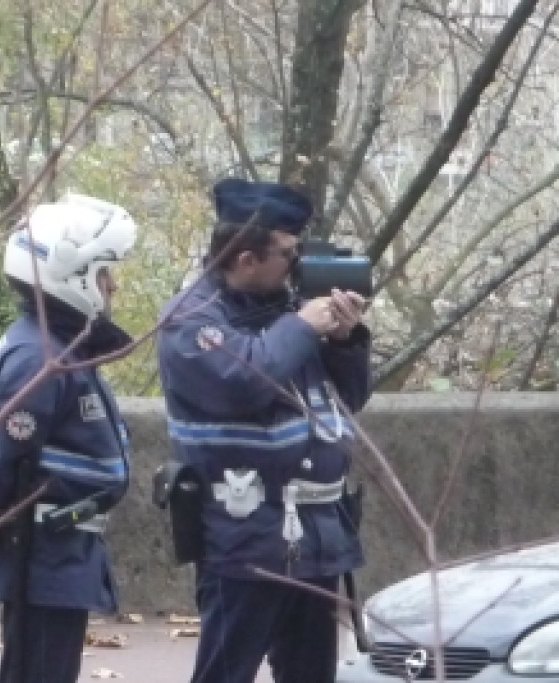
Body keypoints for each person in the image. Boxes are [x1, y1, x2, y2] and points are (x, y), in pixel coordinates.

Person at [155, 178, 372, 683]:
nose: (297, 268)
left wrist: (344, 341)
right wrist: (302, 326)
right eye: (288, 254)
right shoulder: (191, 320)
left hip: (318, 535)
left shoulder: (288, 311)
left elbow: (349, 400)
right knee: (226, 674)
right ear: (246, 258)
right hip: (245, 537)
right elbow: (241, 380)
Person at [0, 193, 139, 683]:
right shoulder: (38, 360)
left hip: (65, 553)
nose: (112, 286)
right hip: (42, 555)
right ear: (70, 276)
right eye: (103, 274)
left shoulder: (63, 347)